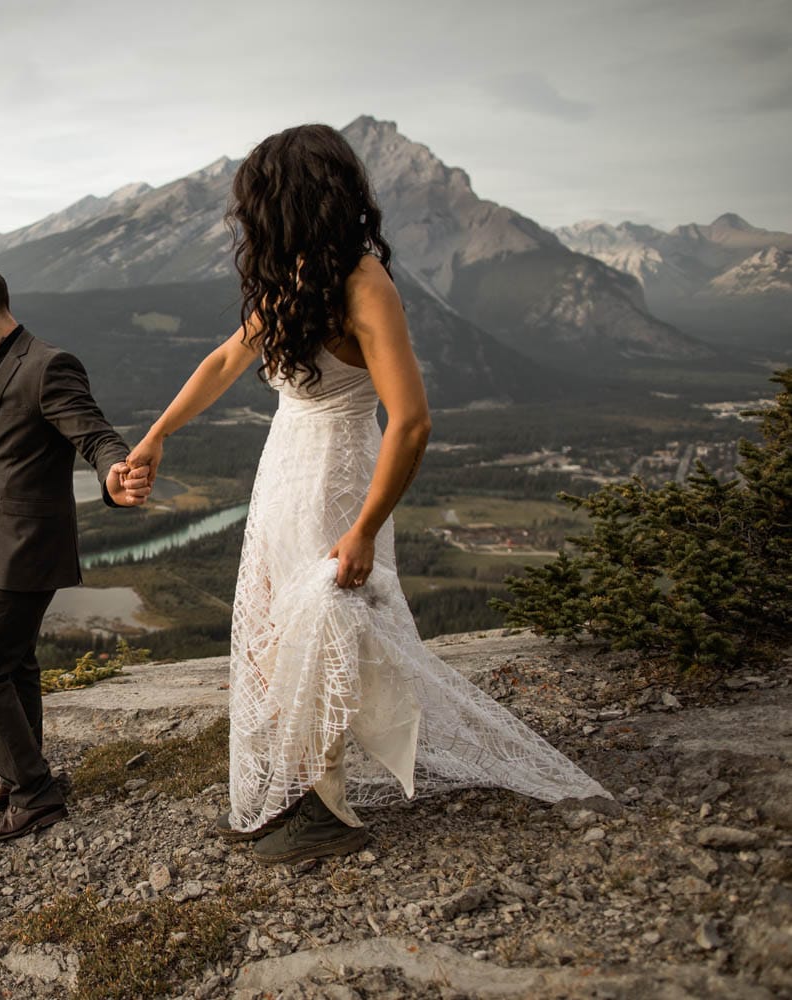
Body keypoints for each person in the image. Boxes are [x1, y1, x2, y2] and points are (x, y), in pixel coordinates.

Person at [126, 126, 608, 866]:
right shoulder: (297, 277)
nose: (248, 217)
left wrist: (364, 527)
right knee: (270, 642)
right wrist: (158, 433)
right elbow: (227, 358)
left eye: (258, 200)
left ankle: (319, 809)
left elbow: (411, 421)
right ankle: (295, 794)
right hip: (281, 478)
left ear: (289, 200)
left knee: (323, 633)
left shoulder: (363, 284)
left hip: (336, 482)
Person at [0, 261, 152, 841]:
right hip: (5, 544)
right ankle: (21, 774)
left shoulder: (48, 365)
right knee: (14, 663)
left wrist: (114, 474)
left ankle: (35, 795)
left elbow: (97, 435)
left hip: (27, 549)